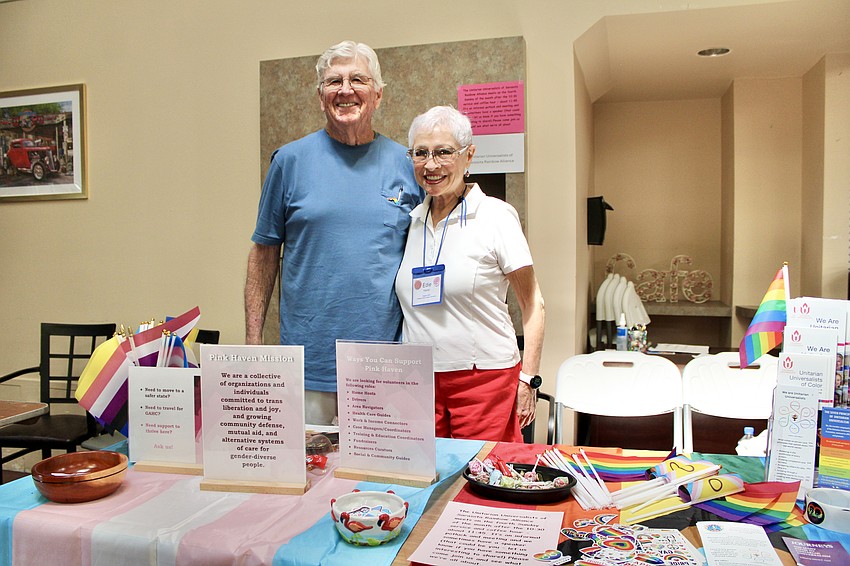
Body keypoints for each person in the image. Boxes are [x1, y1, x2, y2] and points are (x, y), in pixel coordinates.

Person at [245, 41, 422, 425]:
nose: (345, 89)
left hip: (387, 367)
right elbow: (262, 255)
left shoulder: (407, 165)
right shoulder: (289, 162)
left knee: (381, 482)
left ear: (378, 94)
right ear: (320, 96)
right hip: (310, 366)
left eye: (357, 79)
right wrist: (254, 346)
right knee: (312, 475)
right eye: (333, 81)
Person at [395, 105, 545, 442]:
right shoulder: (412, 221)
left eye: (444, 152)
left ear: (468, 155)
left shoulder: (496, 216)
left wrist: (529, 378)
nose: (431, 165)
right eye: (421, 153)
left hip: (484, 380)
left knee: (482, 478)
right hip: (419, 381)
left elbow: (533, 303)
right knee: (427, 480)